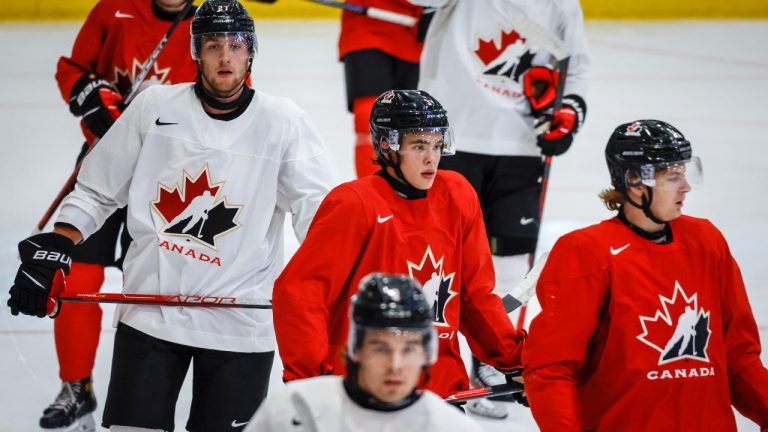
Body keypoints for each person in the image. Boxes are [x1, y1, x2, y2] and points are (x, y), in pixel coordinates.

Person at [8, 1, 335, 431]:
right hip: (149, 316)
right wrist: (61, 240)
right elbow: (95, 190)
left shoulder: (283, 123)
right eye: (213, 45)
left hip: (239, 325)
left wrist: (329, 286)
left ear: (250, 52)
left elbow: (323, 218)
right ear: (195, 52)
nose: (224, 56)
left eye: (235, 45)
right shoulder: (153, 108)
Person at [272, 89, 526, 403]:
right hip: (366, 390)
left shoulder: (458, 196)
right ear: (385, 146)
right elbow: (301, 293)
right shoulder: (354, 203)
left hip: (439, 390)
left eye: (436, 144)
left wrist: (513, 359)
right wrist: (308, 379)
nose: (431, 157)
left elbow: (475, 297)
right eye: (418, 145)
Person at [407, 0, 590, 418]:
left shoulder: (561, 4)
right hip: (449, 138)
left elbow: (575, 64)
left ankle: (492, 363)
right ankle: (427, 355)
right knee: (435, 255)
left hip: (521, 143)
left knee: (509, 257)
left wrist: (570, 112)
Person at [522, 120, 768, 431]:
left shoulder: (706, 242)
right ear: (634, 180)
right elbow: (551, 369)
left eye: (684, 173)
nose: (686, 186)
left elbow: (739, 358)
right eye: (672, 177)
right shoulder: (586, 252)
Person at [45, 0, 198, 429]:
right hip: (104, 161)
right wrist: (89, 95)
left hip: (169, 177)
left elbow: (231, 102)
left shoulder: (210, 27)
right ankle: (76, 386)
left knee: (149, 287)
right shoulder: (114, 9)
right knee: (75, 274)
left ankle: (144, 396)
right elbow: (71, 69)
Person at [247, 273, 484, 431]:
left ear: (425, 354)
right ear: (355, 349)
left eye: (409, 349)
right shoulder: (293, 408)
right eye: (380, 348)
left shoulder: (451, 426)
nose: (395, 365)